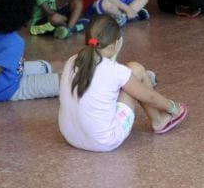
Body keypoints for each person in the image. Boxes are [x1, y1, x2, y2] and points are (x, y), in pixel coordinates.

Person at [58, 15, 189, 151]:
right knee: (136, 70)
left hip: (70, 136)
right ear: (115, 44)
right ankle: (158, 121)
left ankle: (158, 120)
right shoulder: (116, 71)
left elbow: (104, 73)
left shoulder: (72, 60)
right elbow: (149, 97)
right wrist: (173, 107)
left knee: (122, 81)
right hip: (104, 142)